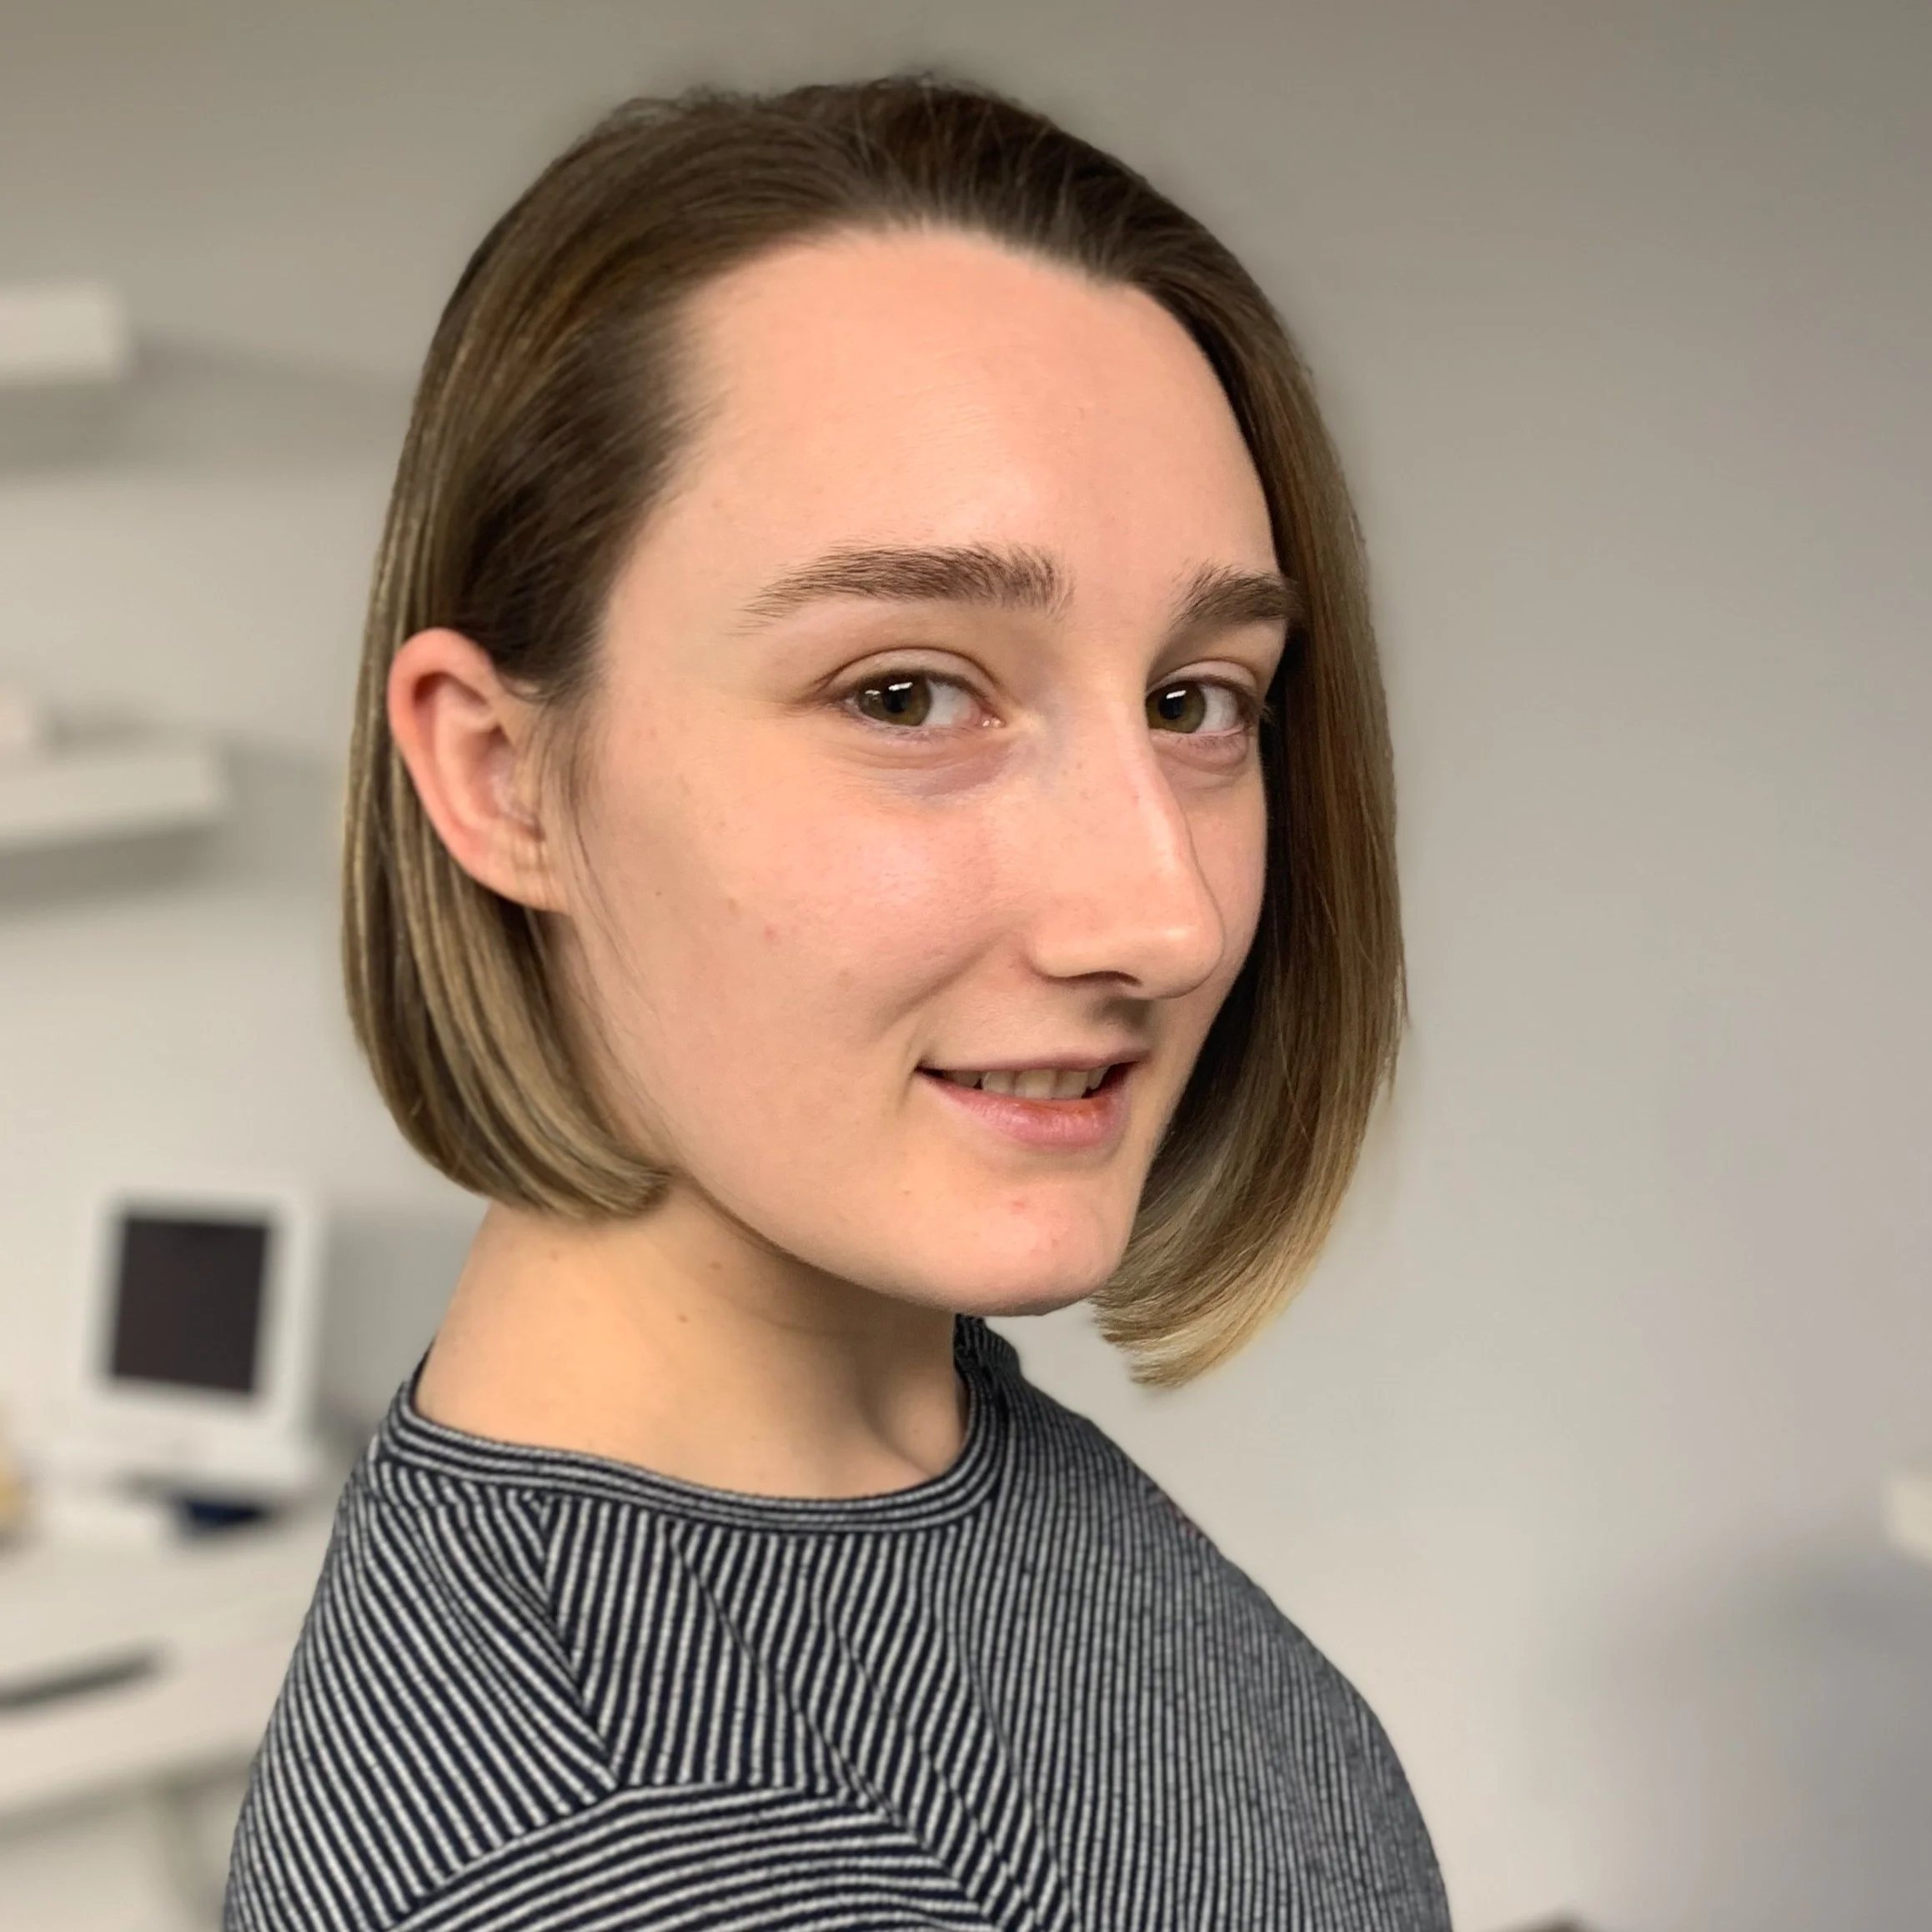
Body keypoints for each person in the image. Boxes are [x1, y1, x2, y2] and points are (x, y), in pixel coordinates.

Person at [225, 73, 1450, 1932]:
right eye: (907, 695)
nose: (1168, 914)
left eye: (1200, 700)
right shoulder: (598, 1865)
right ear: (499, 776)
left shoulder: (921, 1430)